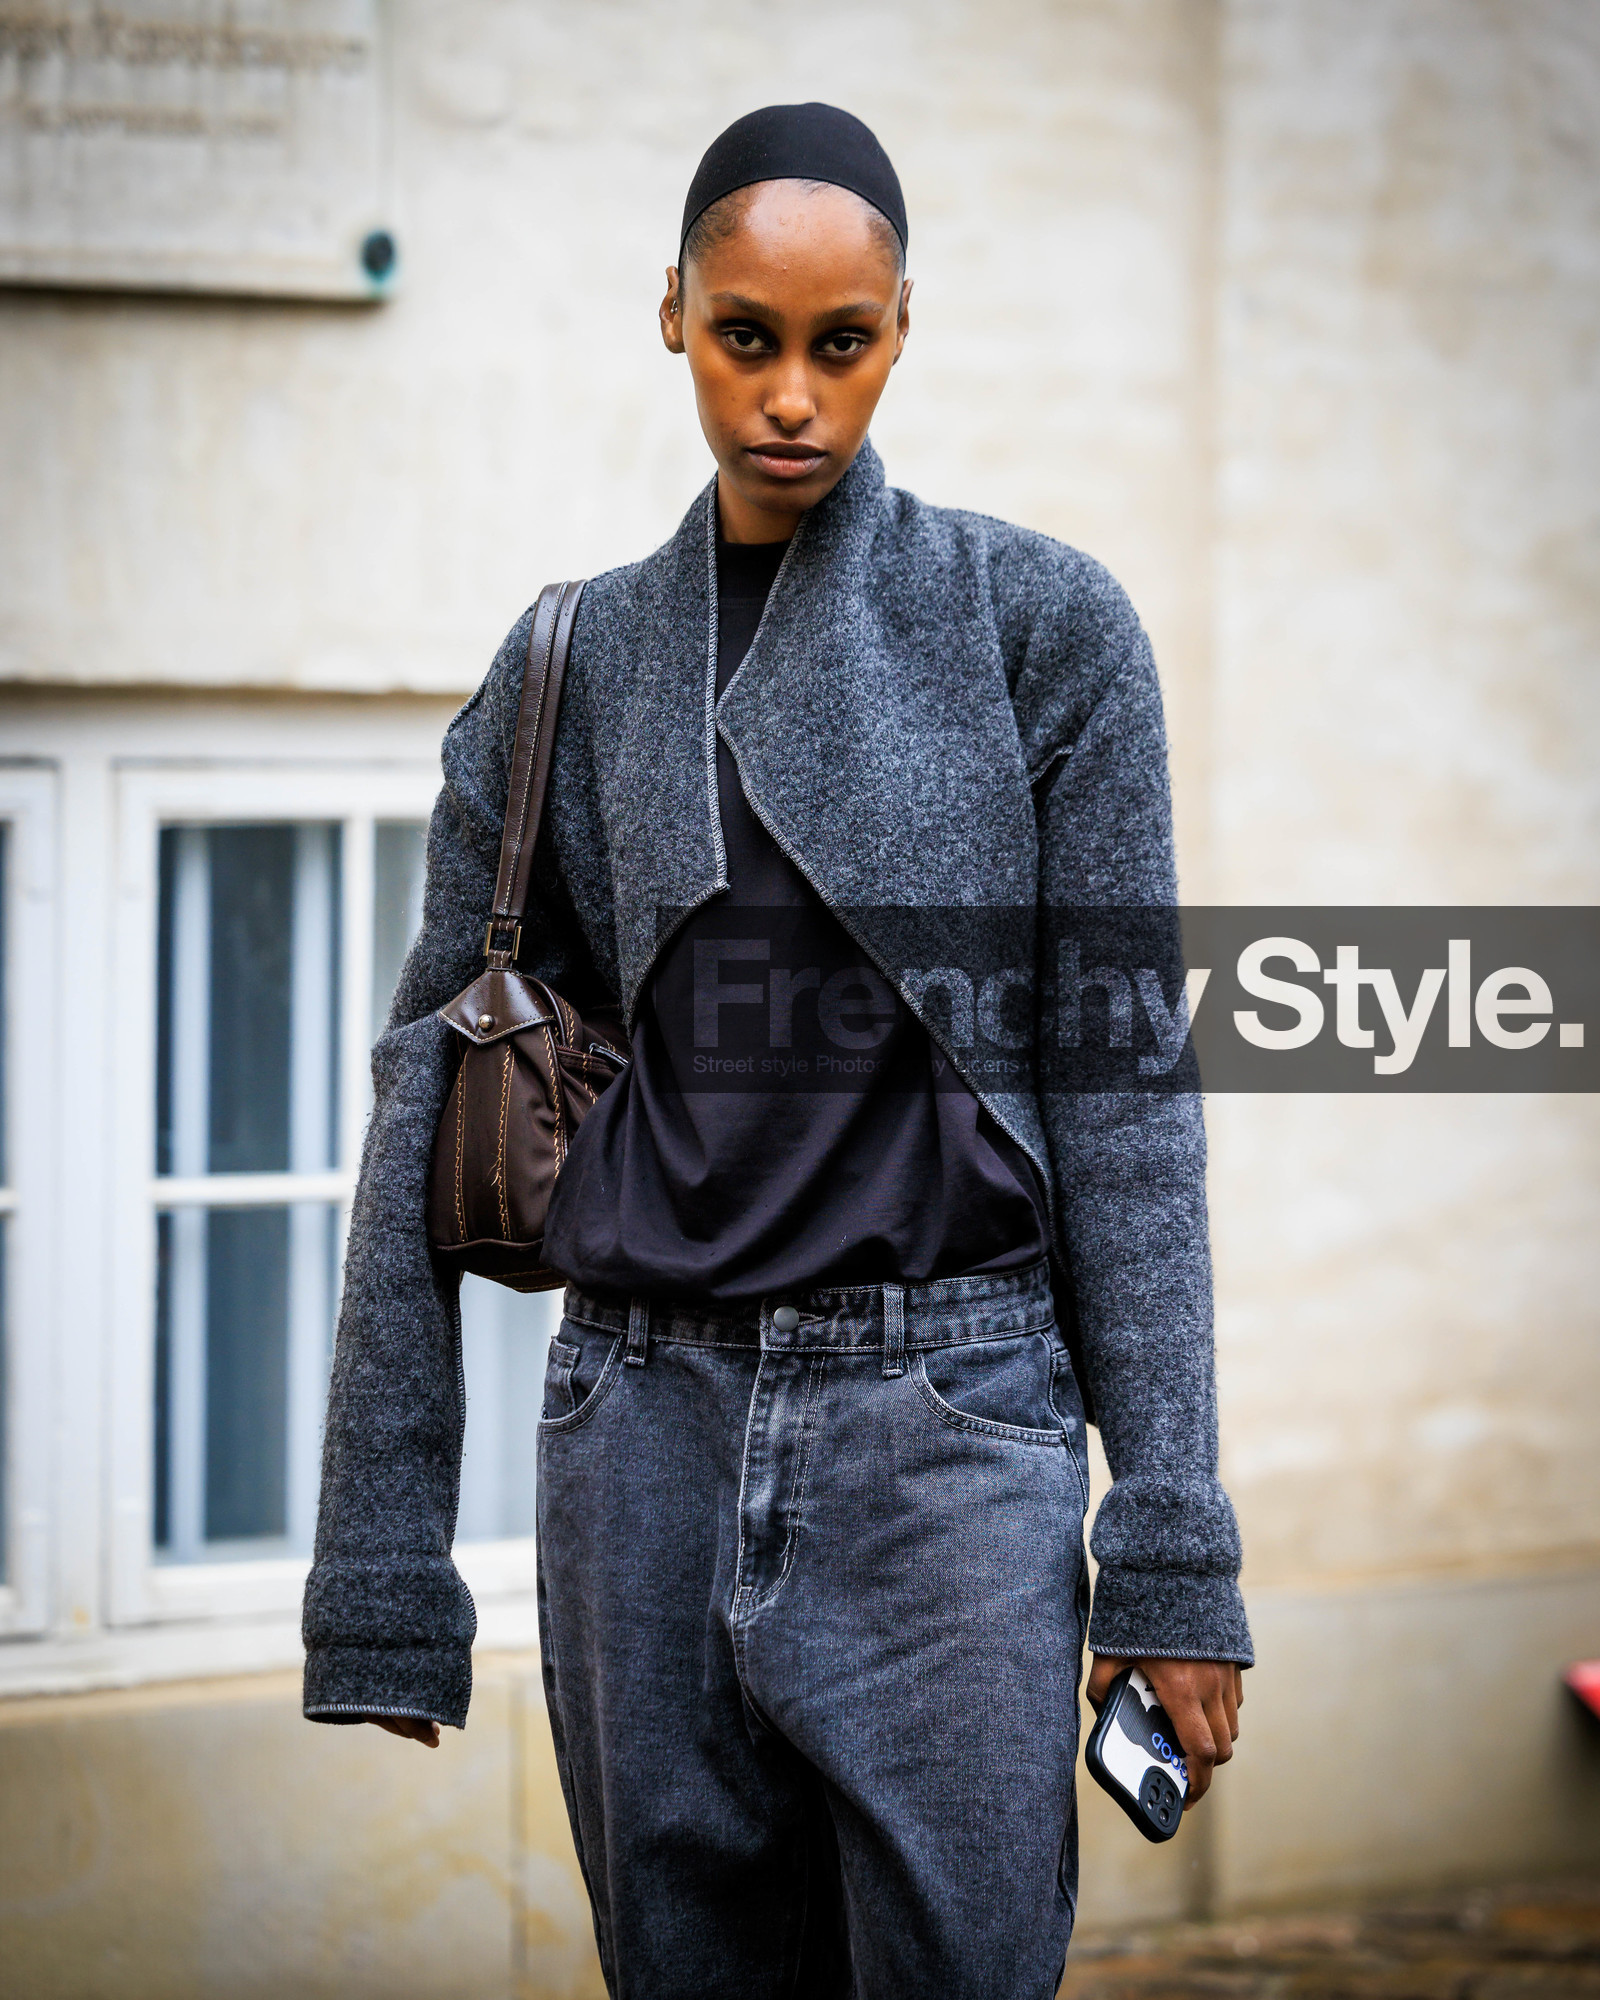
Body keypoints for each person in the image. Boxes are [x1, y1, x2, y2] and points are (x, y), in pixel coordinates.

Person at [303, 102, 1251, 2000]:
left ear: (906, 330)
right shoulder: (567, 667)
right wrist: (385, 1568)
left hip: (953, 1437)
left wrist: (1169, 1551)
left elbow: (1127, 1103)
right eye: (749, 336)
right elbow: (434, 1085)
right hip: (634, 1438)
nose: (794, 395)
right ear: (671, 313)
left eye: (846, 343)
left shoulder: (1041, 632)